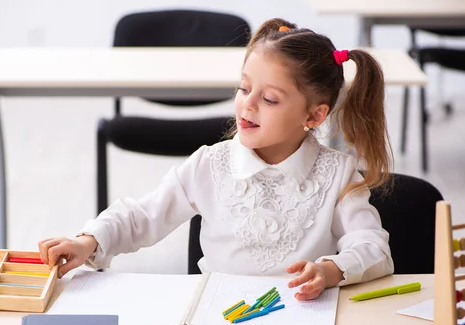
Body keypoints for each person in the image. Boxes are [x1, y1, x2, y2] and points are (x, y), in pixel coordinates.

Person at [38, 18, 395, 301]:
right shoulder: (209, 164)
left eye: (269, 99)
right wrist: (89, 241)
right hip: (218, 320)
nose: (248, 104)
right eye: (244, 88)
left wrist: (332, 269)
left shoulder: (339, 174)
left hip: (303, 319)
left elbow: (372, 246)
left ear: (314, 117)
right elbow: (142, 216)